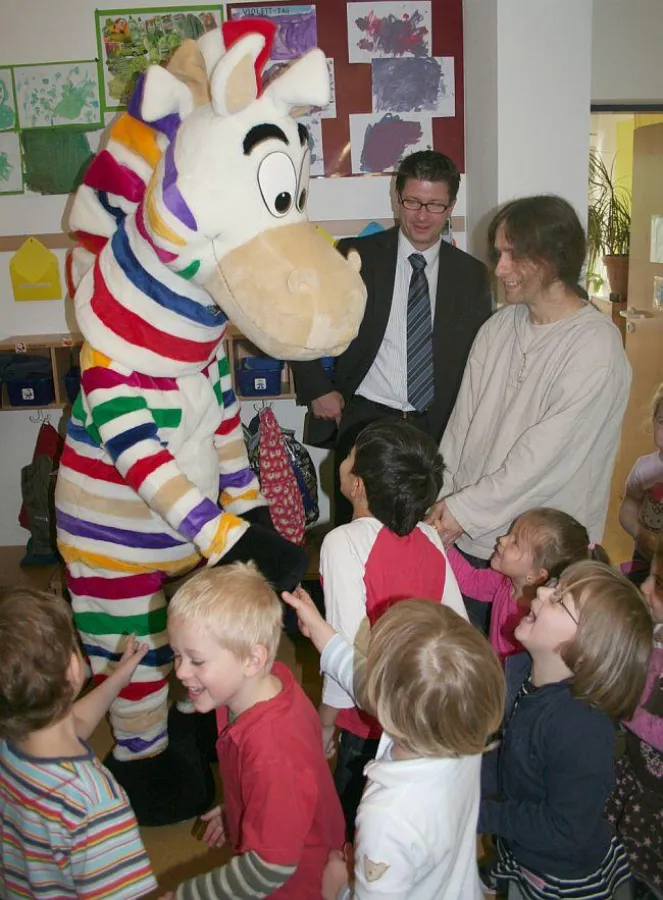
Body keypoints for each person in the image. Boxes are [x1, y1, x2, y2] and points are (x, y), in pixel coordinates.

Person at [429, 195, 631, 633]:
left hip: (541, 564)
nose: (500, 269)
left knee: (522, 682)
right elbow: (459, 430)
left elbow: (542, 461)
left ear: (554, 259)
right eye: (498, 253)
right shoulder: (498, 328)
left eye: (513, 255)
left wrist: (461, 509)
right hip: (468, 537)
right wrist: (442, 498)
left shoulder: (595, 347)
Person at [290, 149, 491, 525]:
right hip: (364, 419)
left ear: (450, 207)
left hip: (437, 429)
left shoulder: (472, 277)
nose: (421, 215)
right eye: (413, 201)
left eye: (434, 205)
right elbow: (306, 320)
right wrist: (316, 386)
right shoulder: (356, 254)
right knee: (356, 537)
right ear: (397, 198)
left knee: (422, 537)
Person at [282, 586, 505, 900]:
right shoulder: (458, 727)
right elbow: (366, 681)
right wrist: (320, 630)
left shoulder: (388, 817)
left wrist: (340, 887)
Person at [318, 419, 467, 839]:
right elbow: (455, 625)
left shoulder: (342, 543)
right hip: (422, 717)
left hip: (365, 720)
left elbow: (343, 648)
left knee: (357, 821)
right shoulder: (429, 537)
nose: (341, 460)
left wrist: (326, 722)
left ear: (359, 486)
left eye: (348, 457)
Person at [164, 562, 345, 900]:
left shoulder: (273, 750)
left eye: (196, 660)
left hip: (296, 886)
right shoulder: (263, 684)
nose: (180, 671)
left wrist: (186, 896)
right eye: (176, 655)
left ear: (251, 659)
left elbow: (268, 869)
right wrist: (241, 807)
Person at [480, 561, 653, 899]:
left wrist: (480, 814)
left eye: (559, 599)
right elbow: (514, 754)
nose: (542, 590)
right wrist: (462, 779)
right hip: (525, 845)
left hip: (557, 878)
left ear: (585, 651)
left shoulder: (581, 729)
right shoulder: (529, 680)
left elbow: (565, 828)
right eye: (554, 585)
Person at [0, 588, 156, 900]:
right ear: (74, 669)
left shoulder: (12, 742)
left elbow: (75, 725)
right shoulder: (93, 803)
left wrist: (117, 678)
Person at [448, 507, 609, 663]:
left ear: (536, 576)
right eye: (510, 534)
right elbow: (470, 581)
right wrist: (441, 541)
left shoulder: (532, 619)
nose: (502, 540)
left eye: (515, 543)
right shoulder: (504, 579)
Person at [606, 540, 663, 898]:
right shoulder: (657, 631)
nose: (645, 587)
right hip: (635, 776)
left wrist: (627, 709)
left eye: (657, 583)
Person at [619, 382, 663, 586]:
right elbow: (628, 507)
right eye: (662, 421)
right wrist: (640, 533)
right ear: (652, 421)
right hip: (644, 558)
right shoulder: (644, 467)